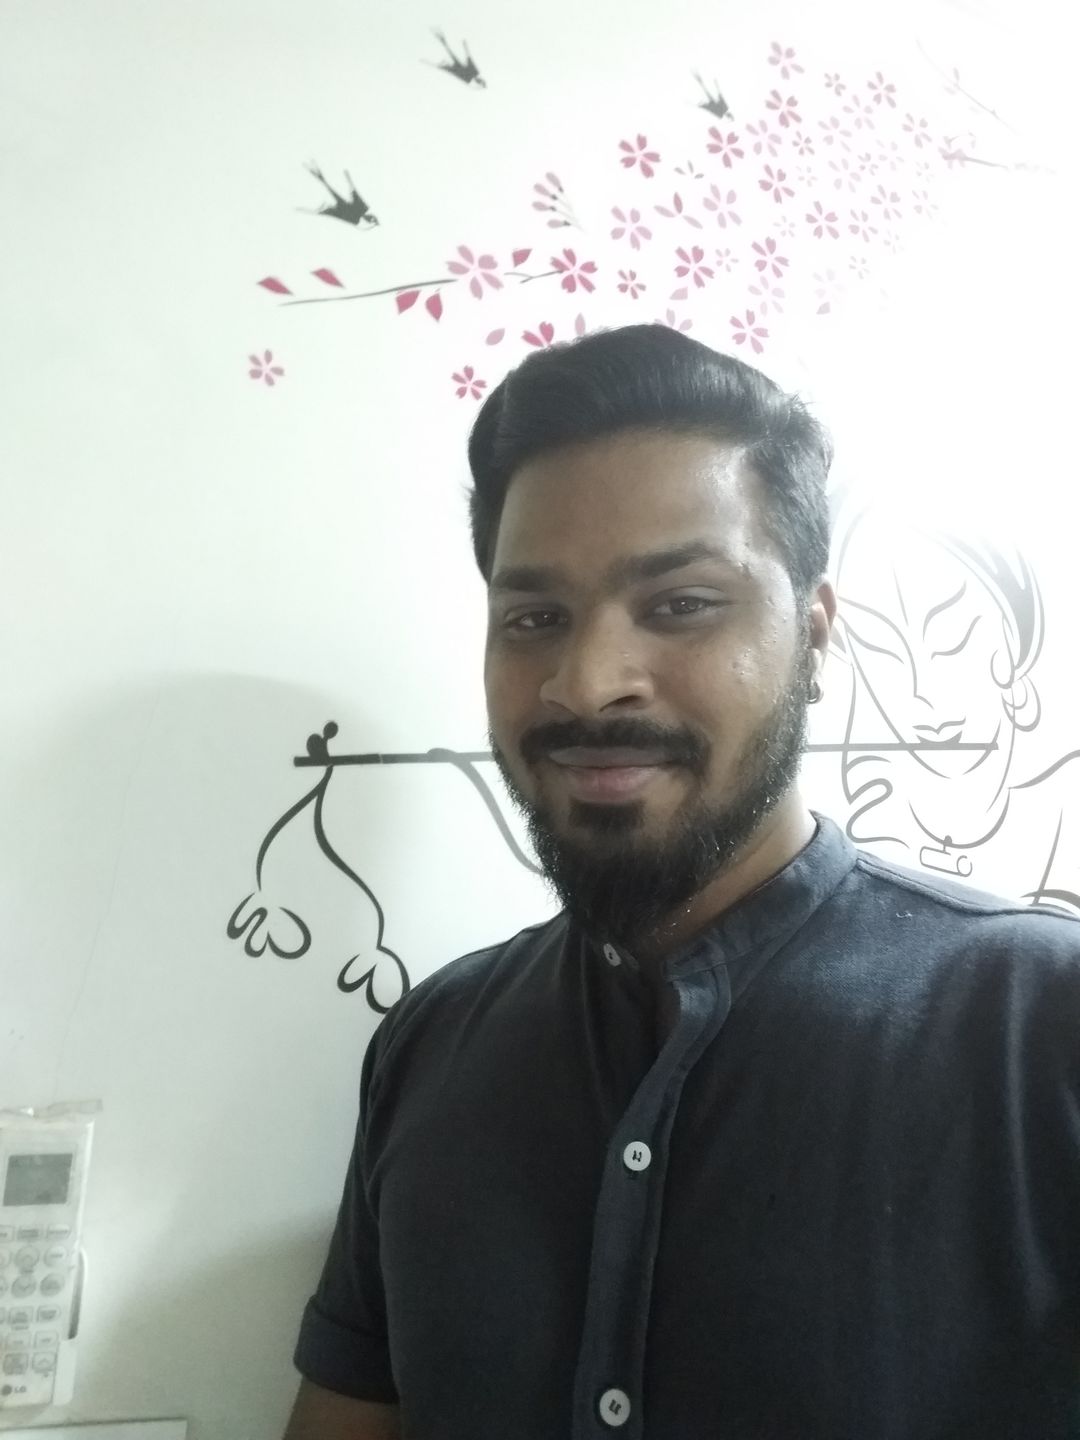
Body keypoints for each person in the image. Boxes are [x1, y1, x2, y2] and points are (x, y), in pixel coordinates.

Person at [282, 324, 1080, 1440]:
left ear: (814, 633)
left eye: (682, 603)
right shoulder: (430, 1045)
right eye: (534, 619)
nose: (586, 682)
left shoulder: (1038, 1021)